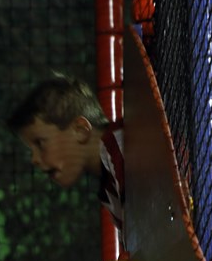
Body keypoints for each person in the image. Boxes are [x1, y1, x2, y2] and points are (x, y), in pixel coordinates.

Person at [7, 74, 124, 236]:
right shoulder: (109, 185)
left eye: (40, 143)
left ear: (81, 130)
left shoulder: (123, 147)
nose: (34, 159)